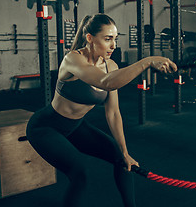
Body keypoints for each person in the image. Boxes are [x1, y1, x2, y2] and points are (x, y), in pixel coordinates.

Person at [26, 14, 177, 207]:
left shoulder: (110, 65)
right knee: (80, 172)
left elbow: (113, 112)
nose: (113, 45)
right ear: (89, 38)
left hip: (76, 127)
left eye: (115, 38)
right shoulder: (73, 59)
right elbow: (105, 82)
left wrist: (125, 151)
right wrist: (146, 62)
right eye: (107, 39)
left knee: (121, 160)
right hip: (46, 128)